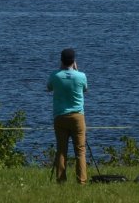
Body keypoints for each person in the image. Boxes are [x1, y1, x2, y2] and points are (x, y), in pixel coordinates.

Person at [46, 47, 88, 184]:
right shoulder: (81, 76)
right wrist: (75, 71)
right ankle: (81, 181)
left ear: (62, 61)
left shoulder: (55, 75)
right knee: (80, 151)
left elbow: (49, 88)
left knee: (61, 150)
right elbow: (85, 89)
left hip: (60, 116)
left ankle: (61, 180)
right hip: (77, 116)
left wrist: (60, 70)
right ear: (74, 61)